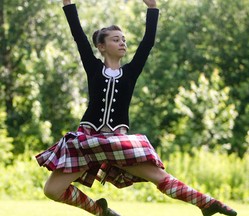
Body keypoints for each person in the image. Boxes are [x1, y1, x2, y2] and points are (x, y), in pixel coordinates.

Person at [36, 0, 238, 215]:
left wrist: (152, 8)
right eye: (116, 40)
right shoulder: (93, 67)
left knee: (159, 177)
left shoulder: (130, 72)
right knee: (52, 190)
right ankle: (100, 210)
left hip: (117, 141)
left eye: (124, 39)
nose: (122, 43)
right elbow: (78, 34)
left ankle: (208, 203)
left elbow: (148, 42)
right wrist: (68, 3)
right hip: (88, 140)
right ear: (102, 47)